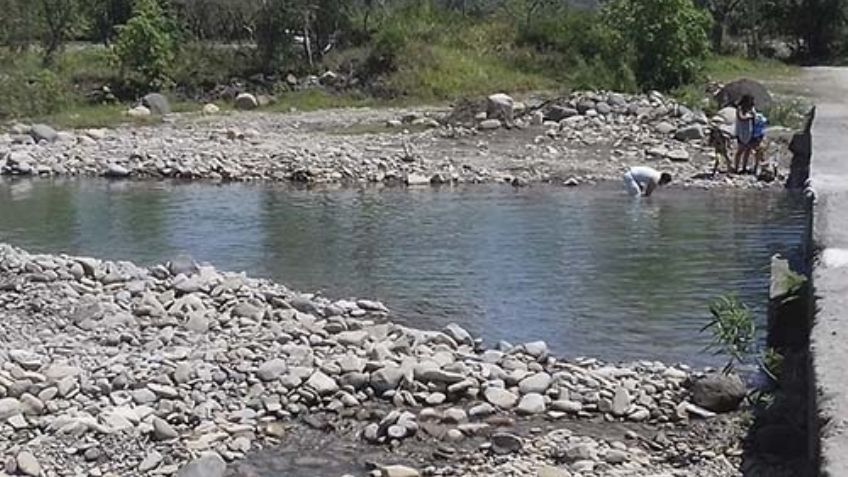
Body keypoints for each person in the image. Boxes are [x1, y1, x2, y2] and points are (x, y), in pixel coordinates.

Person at [734, 94, 757, 173]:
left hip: (749, 132)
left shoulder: (752, 109)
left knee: (748, 150)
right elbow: (741, 117)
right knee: (740, 150)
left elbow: (755, 119)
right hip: (741, 132)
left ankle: (744, 167)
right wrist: (749, 117)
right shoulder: (739, 109)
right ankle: (736, 167)